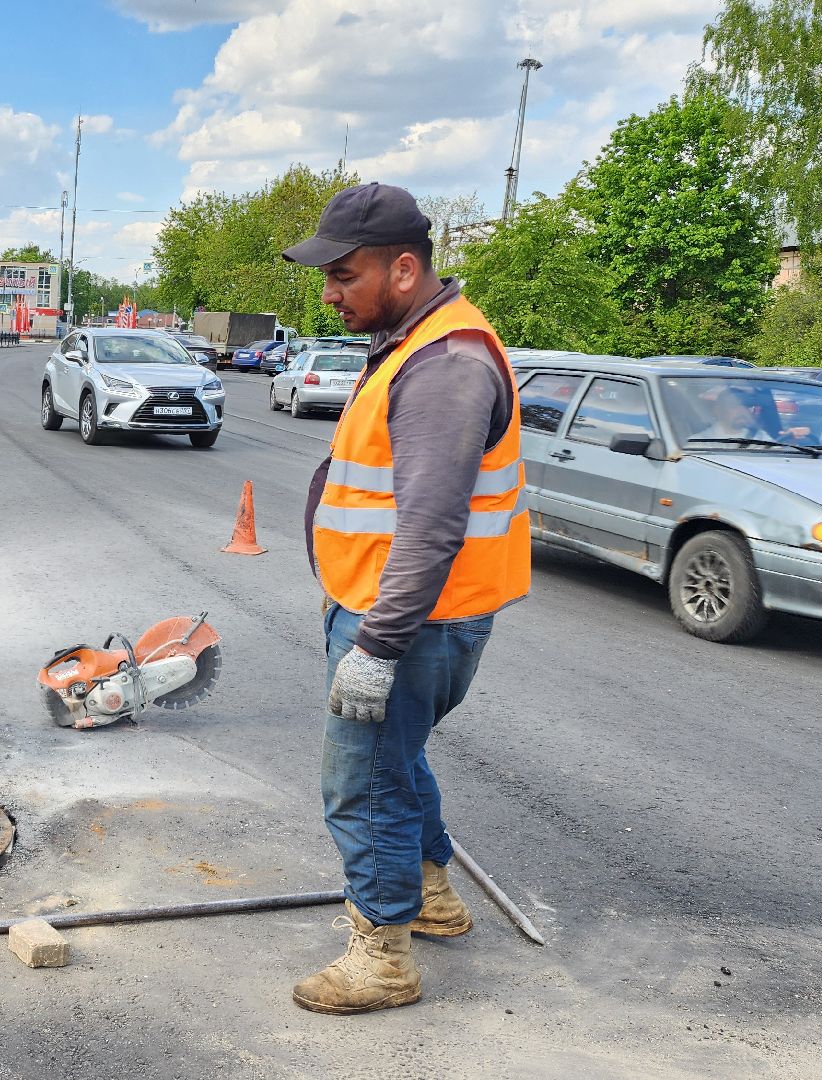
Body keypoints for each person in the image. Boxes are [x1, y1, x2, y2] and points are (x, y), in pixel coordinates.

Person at [280, 182, 530, 1015]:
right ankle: (433, 898)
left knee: (368, 784)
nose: (329, 292)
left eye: (344, 275)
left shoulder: (446, 367)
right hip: (407, 612)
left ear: (404, 268)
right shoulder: (418, 342)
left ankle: (381, 957)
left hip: (409, 622)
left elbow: (429, 527)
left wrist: (377, 647)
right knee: (400, 759)